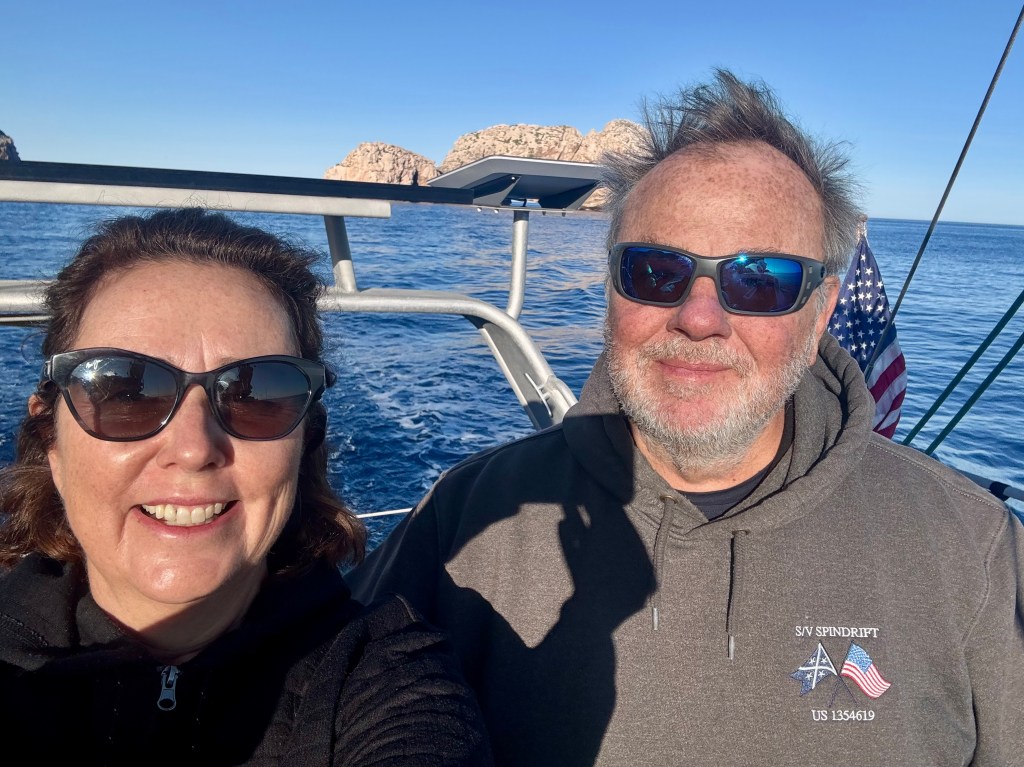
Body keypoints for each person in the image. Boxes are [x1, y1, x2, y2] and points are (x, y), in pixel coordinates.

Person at [349, 69, 1024, 766]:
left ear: (821, 311)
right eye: (655, 271)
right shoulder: (464, 518)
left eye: (760, 279)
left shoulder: (972, 551)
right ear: (613, 289)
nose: (700, 317)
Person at [0, 208, 494, 766]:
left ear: (305, 441)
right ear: (51, 440)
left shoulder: (386, 679)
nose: (193, 449)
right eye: (124, 391)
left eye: (255, 393)